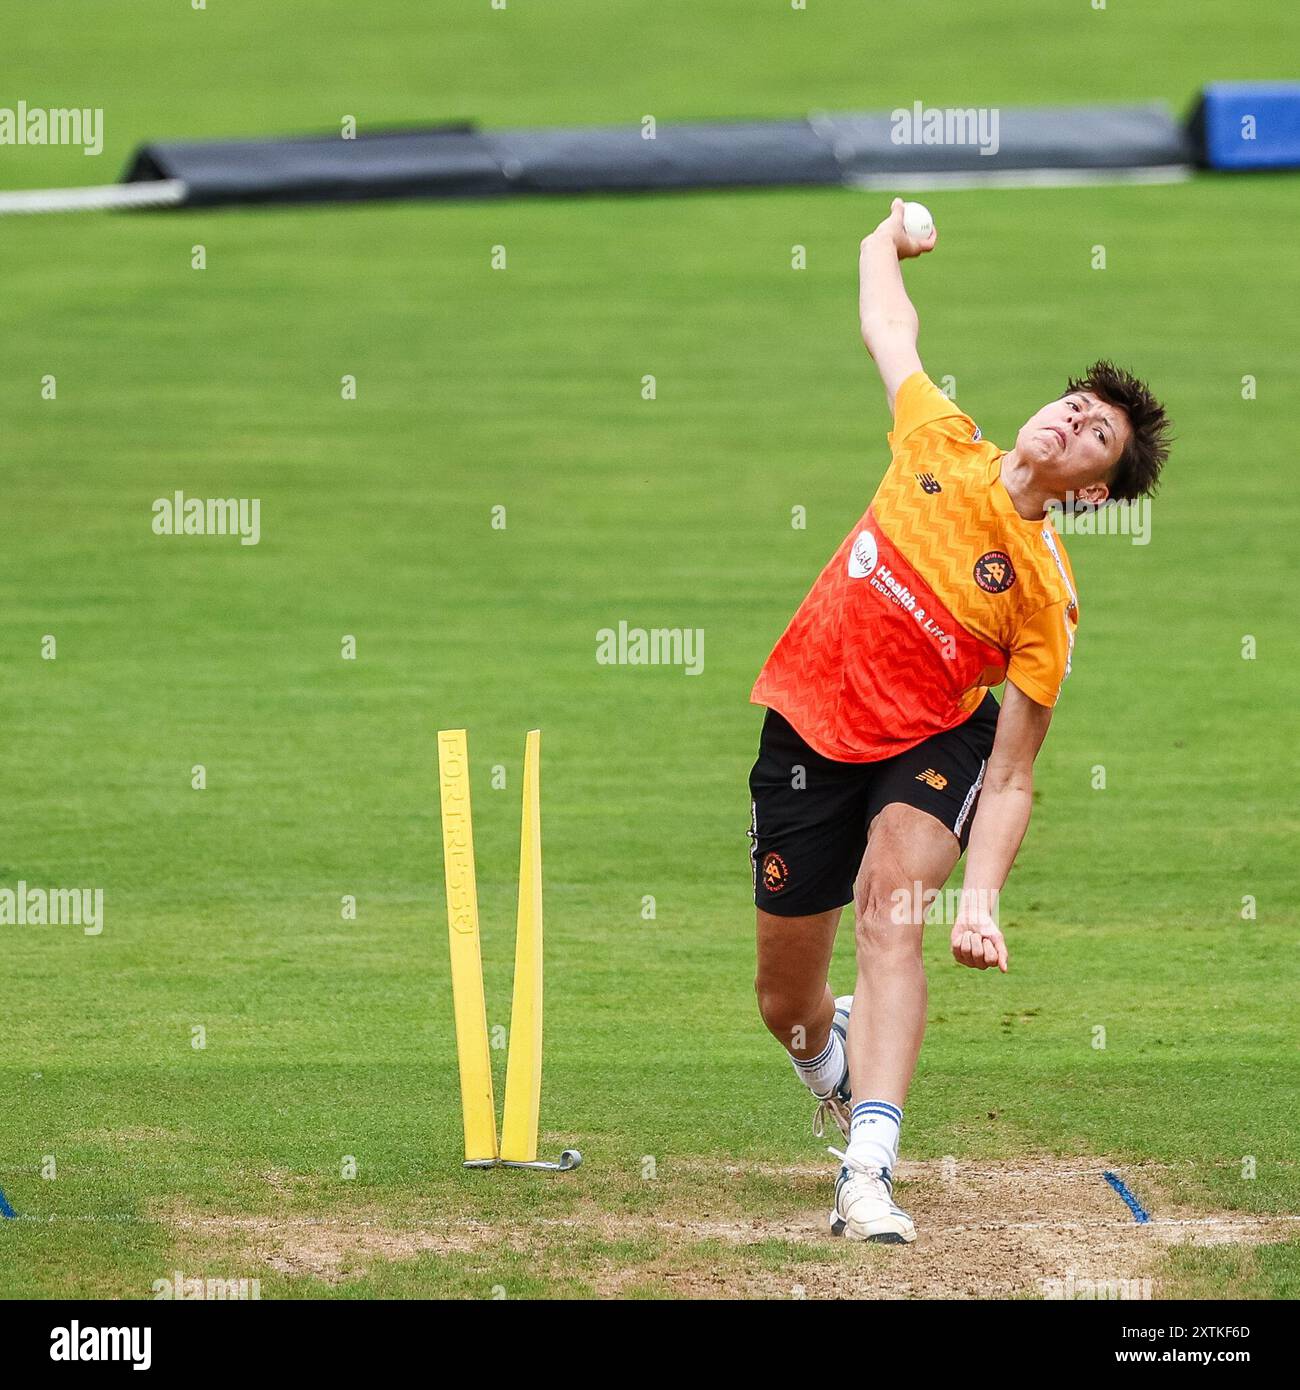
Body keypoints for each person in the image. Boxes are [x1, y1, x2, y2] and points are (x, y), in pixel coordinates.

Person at [747, 198, 1172, 1243]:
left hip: (931, 745)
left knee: (894, 910)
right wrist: (878, 242)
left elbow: (1016, 773)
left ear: (1095, 491)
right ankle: (830, 1060)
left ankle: (869, 1170)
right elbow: (889, 330)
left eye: (1097, 434)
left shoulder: (1042, 596)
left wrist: (979, 897)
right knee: (784, 1002)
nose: (1074, 420)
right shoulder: (941, 436)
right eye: (1075, 404)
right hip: (807, 728)